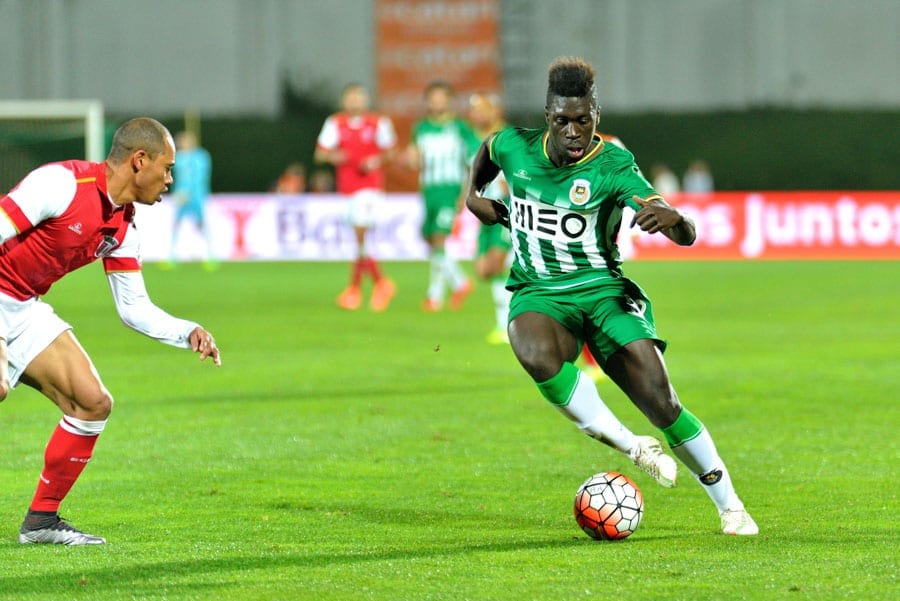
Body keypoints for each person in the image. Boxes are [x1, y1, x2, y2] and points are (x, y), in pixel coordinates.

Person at [465, 57, 757, 535]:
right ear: (547, 116)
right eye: (563, 120)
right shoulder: (515, 146)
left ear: (595, 115)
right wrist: (473, 195)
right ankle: (633, 447)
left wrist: (678, 222)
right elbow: (487, 151)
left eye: (584, 120)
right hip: (540, 292)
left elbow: (675, 224)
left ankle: (731, 506)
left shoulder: (613, 166)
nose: (574, 132)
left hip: (603, 292)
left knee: (662, 403)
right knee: (533, 351)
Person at [0, 117, 222, 545]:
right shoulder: (62, 184)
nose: (170, 179)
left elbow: (134, 309)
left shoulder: (123, 226)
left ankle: (41, 522)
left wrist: (188, 330)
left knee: (92, 401)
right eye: (167, 168)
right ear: (140, 161)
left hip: (23, 306)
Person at [315, 83, 397, 312]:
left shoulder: (378, 123)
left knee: (360, 236)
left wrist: (376, 160)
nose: (354, 101)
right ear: (344, 101)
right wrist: (335, 155)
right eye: (350, 98)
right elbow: (320, 154)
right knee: (360, 240)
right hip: (347, 189)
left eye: (358, 97)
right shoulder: (335, 123)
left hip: (369, 188)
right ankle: (368, 286)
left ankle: (367, 286)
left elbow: (391, 152)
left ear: (366, 100)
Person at [405, 81, 481, 312]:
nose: (437, 102)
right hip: (429, 189)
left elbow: (473, 161)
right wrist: (410, 159)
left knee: (439, 238)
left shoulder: (461, 128)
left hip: (451, 188)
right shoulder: (420, 128)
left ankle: (435, 296)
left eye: (441, 98)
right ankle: (459, 283)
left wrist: (466, 192)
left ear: (450, 101)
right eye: (433, 98)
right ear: (428, 102)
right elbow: (413, 156)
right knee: (429, 239)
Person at [466, 92, 512, 344]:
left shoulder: (508, 137)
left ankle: (506, 326)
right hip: (483, 212)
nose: (479, 114)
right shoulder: (470, 138)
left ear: (496, 111)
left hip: (506, 210)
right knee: (484, 270)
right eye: (476, 110)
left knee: (494, 264)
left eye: (484, 109)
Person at [166, 130, 215, 270]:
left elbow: (200, 177)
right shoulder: (179, 157)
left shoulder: (201, 156)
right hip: (181, 197)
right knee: (176, 224)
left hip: (196, 196)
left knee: (201, 225)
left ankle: (211, 255)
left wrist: (188, 192)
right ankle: (172, 257)